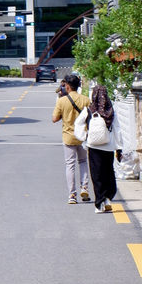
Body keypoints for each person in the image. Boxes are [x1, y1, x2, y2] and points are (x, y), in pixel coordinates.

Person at [81, 85, 124, 214]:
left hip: (94, 146)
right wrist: (119, 148)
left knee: (97, 175)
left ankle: (99, 203)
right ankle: (106, 199)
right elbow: (118, 130)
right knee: (108, 173)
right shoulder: (111, 111)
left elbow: (78, 124)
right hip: (109, 147)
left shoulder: (89, 110)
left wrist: (84, 138)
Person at [52, 73, 90, 204]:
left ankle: (72, 195)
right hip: (83, 137)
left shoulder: (62, 101)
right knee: (83, 162)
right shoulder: (85, 100)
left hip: (68, 137)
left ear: (67, 86)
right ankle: (84, 187)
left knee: (70, 165)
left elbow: (54, 119)